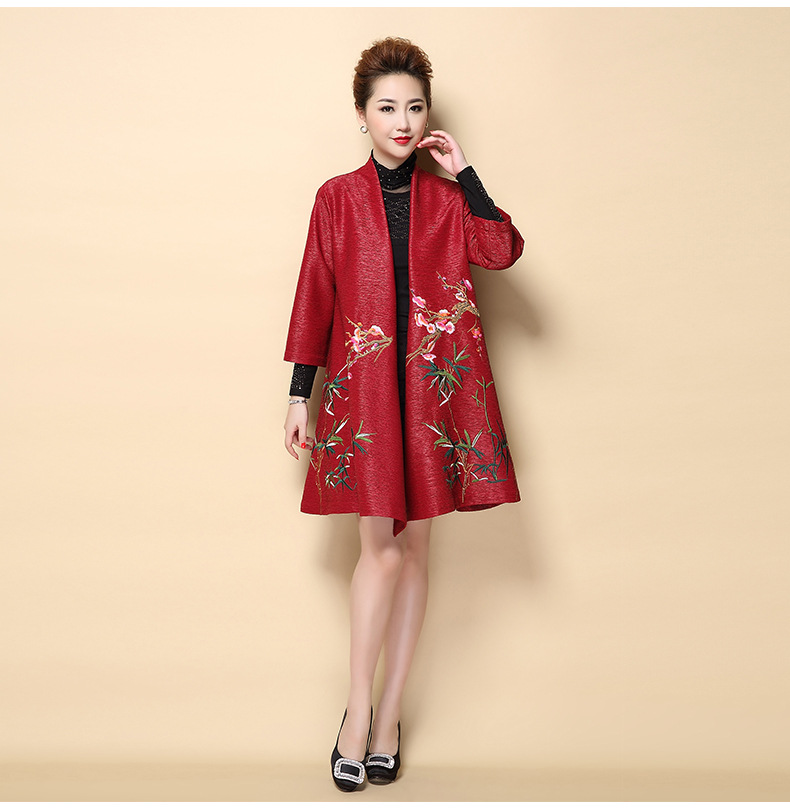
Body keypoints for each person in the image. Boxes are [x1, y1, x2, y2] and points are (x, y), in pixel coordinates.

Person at [283, 37, 524, 791]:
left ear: (428, 117)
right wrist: (299, 393)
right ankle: (356, 713)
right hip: (365, 395)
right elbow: (316, 291)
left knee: (415, 551)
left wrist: (467, 174)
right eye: (387, 107)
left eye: (415, 108)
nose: (403, 121)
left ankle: (389, 716)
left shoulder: (448, 201)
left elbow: (501, 250)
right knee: (379, 552)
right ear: (362, 115)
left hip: (431, 397)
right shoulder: (335, 198)